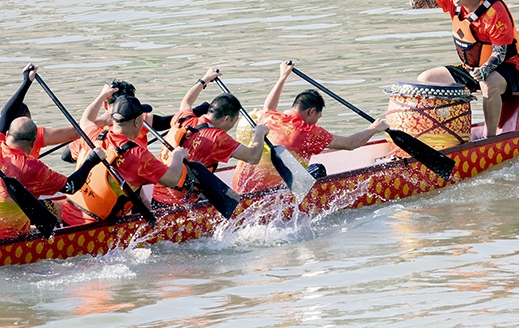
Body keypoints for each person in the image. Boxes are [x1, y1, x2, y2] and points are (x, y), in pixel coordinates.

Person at [231, 61, 389, 193]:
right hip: (274, 193)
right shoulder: (307, 131)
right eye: (317, 117)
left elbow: (268, 107)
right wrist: (374, 128)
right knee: (318, 169)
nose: (316, 122)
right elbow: (350, 144)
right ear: (311, 111)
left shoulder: (270, 118)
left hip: (240, 187)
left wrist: (282, 77)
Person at [409, 0, 519, 138]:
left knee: (488, 83)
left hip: (507, 68)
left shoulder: (495, 12)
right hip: (471, 68)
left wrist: (484, 71)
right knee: (426, 79)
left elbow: (500, 53)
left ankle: (491, 139)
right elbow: (421, 4)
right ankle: (444, 134)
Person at [61, 90, 187, 226]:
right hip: (96, 228)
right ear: (137, 122)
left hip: (67, 215)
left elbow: (86, 120)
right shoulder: (137, 155)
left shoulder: (95, 135)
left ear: (112, 119)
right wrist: (178, 156)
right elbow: (172, 179)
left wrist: (102, 95)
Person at [151, 68, 268, 207]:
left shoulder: (183, 118)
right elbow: (253, 157)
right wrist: (259, 133)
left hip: (156, 199)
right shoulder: (217, 138)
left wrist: (204, 80)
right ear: (226, 119)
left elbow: (187, 101)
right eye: (234, 121)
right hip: (181, 206)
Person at [0, 116, 106, 239]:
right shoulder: (32, 167)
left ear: (7, 134)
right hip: (10, 239)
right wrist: (91, 160)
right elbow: (71, 186)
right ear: (33, 142)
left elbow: (7, 113)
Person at [63, 80, 209, 164]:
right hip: (134, 177)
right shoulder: (139, 119)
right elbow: (169, 122)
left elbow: (66, 155)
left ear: (105, 105)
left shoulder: (91, 131)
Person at [0, 64, 82, 159]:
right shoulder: (32, 134)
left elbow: (7, 114)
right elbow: (77, 132)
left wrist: (27, 82)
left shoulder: (2, 144)